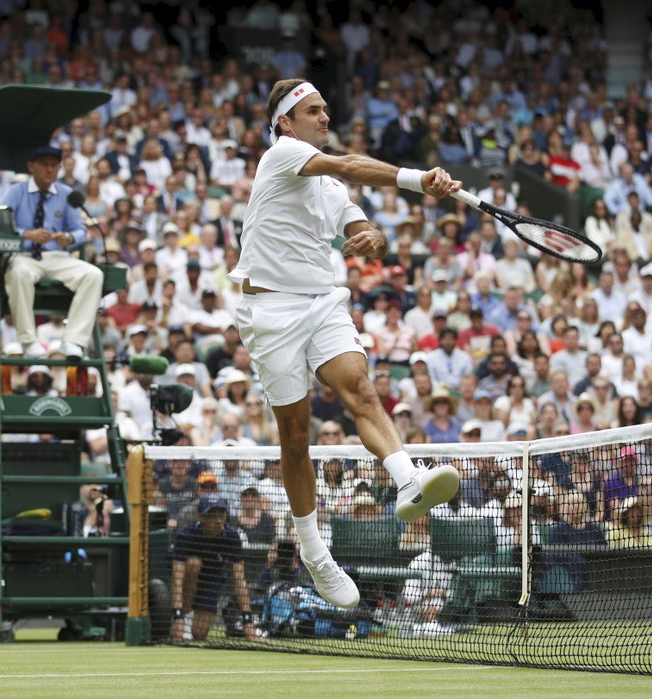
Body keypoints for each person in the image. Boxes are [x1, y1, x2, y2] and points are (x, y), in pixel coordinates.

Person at [226, 79, 461, 608]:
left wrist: (374, 236)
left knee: (359, 385)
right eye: (314, 111)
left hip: (321, 300)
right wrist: (418, 179)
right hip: (269, 310)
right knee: (295, 432)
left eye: (326, 110)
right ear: (286, 123)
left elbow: (358, 220)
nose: (324, 118)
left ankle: (407, 479)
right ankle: (315, 554)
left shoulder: (329, 186)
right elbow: (352, 164)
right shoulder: (282, 155)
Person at [1, 145, 103, 360]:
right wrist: (27, 234)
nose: (50, 170)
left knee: (93, 275)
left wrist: (69, 238)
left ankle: (73, 341)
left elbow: (81, 231)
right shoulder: (15, 192)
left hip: (56, 256)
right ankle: (28, 341)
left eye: (54, 166)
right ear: (31, 166)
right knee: (18, 273)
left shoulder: (66, 194)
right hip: (24, 255)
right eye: (44, 165)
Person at [168, 494, 258, 642]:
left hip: (212, 577)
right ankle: (186, 616)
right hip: (187, 576)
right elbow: (178, 578)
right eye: (212, 516)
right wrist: (178, 615)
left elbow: (240, 579)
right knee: (193, 564)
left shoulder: (232, 537)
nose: (218, 521)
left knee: (200, 634)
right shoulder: (185, 535)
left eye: (221, 515)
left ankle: (191, 622)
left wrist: (247, 621)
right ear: (200, 517)